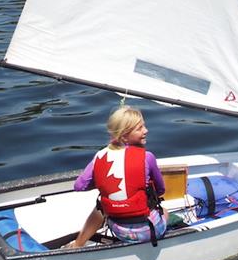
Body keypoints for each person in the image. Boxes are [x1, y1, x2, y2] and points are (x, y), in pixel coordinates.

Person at [66, 105, 168, 248]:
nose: (146, 131)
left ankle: (77, 244)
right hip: (147, 232)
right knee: (164, 211)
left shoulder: (100, 156)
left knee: (100, 207)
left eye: (144, 126)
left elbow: (79, 186)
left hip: (118, 230)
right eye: (139, 129)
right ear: (124, 135)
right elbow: (161, 190)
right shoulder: (147, 157)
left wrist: (103, 182)